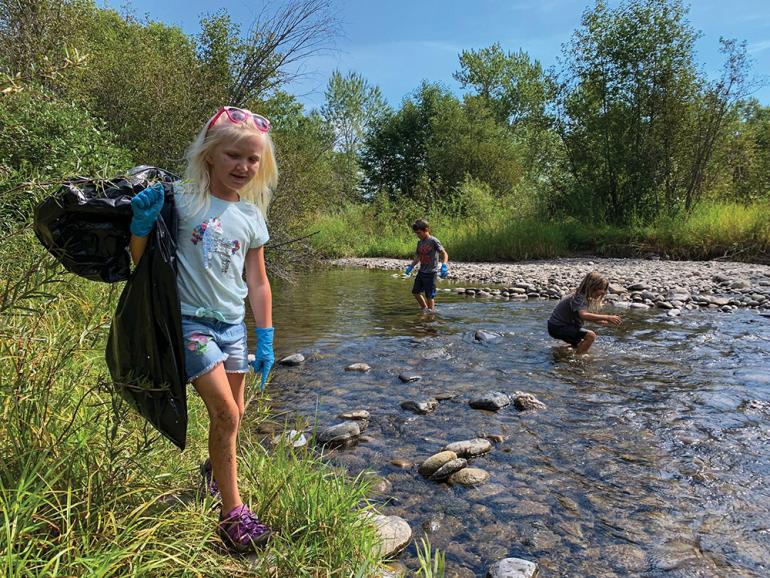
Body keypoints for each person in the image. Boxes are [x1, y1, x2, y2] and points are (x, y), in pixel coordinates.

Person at [128, 106, 276, 553]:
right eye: (234, 155)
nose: (243, 167)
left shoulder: (251, 215)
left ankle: (214, 471)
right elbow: (144, 264)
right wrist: (140, 226)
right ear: (209, 154)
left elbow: (258, 280)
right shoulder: (180, 198)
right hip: (189, 323)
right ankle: (233, 516)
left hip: (232, 326)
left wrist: (266, 335)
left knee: (236, 414)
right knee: (226, 414)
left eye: (252, 160)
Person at [547, 271, 622, 354]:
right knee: (591, 336)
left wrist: (603, 321)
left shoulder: (581, 297)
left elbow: (583, 316)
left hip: (556, 326)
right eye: (601, 289)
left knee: (580, 344)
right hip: (558, 327)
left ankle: (560, 351)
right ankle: (579, 359)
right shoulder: (580, 298)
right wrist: (606, 317)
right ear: (591, 287)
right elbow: (583, 315)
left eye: (604, 289)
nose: (603, 292)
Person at [404, 219, 449, 313]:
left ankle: (431, 313)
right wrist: (411, 267)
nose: (418, 235)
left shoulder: (433, 241)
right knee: (415, 292)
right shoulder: (419, 243)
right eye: (416, 233)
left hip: (431, 273)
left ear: (426, 229)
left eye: (419, 233)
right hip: (421, 272)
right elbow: (418, 256)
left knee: (429, 296)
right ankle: (424, 309)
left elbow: (444, 253)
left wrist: (444, 265)